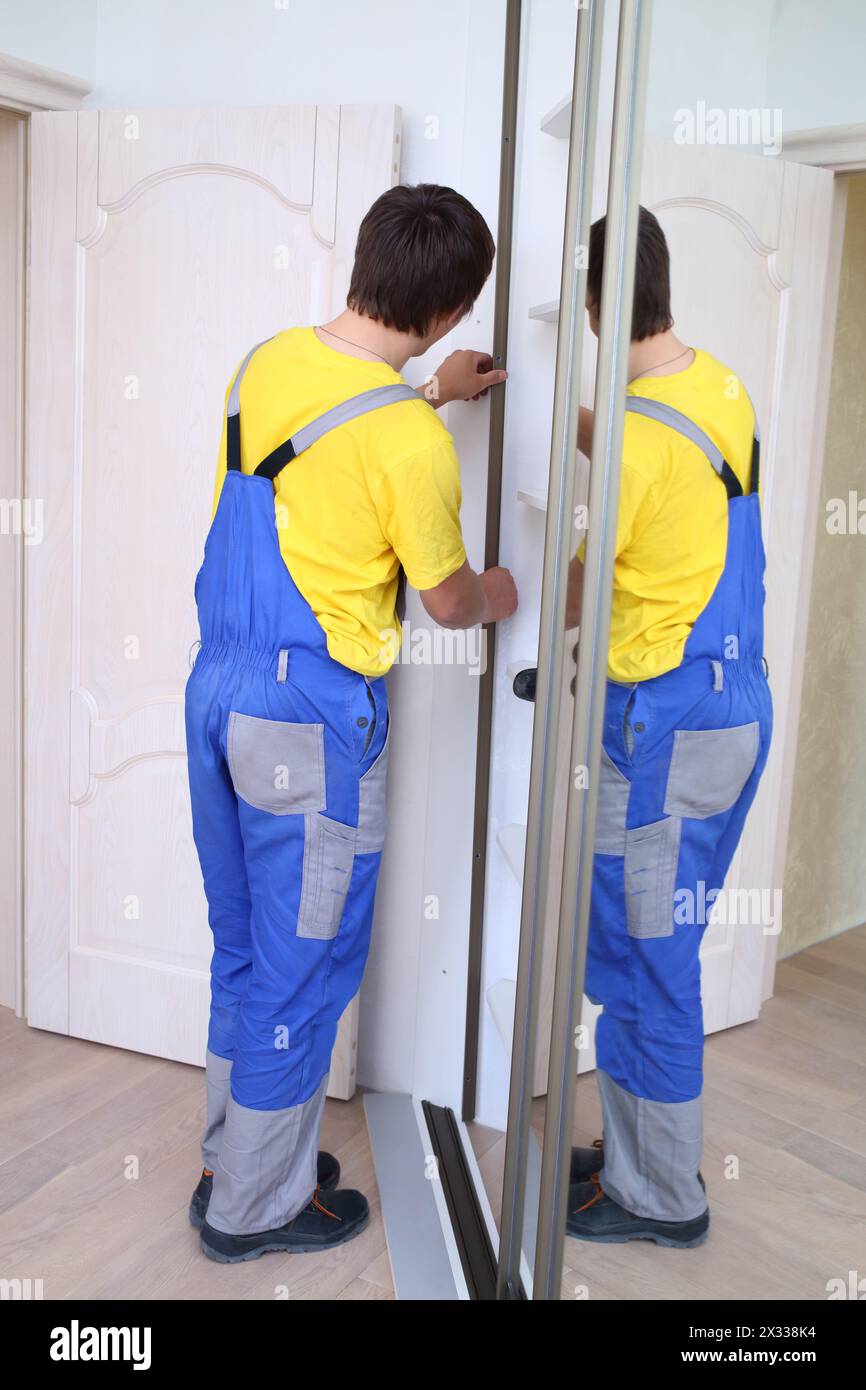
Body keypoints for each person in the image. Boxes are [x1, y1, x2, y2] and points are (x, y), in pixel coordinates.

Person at [185, 183, 518, 1263]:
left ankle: (235, 1154)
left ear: (368, 260)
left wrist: (426, 393)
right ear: (454, 306)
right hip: (308, 726)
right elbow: (446, 597)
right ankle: (256, 1211)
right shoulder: (406, 448)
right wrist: (507, 589)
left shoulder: (264, 361)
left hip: (218, 694)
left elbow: (329, 447)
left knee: (245, 946)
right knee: (303, 966)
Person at [565, 207, 773, 1248]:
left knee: (644, 960)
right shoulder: (719, 386)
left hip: (664, 727)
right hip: (735, 711)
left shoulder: (634, 445)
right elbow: (672, 468)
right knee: (664, 942)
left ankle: (658, 1199)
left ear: (596, 304)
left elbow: (580, 590)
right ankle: (640, 1151)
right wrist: (593, 434)